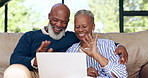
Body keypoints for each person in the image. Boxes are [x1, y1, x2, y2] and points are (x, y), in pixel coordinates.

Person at [3, 3, 128, 78]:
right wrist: (36, 61)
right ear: (49, 17)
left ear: (68, 22)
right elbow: (15, 59)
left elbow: (91, 40)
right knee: (15, 71)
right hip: (33, 73)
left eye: (64, 22)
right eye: (55, 20)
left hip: (56, 76)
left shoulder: (72, 37)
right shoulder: (30, 36)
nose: (58, 25)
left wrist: (120, 46)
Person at [66, 9, 128, 78]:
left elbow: (122, 75)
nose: (80, 30)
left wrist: (96, 55)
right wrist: (82, 73)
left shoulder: (108, 45)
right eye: (77, 27)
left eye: (84, 26)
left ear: (93, 27)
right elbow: (65, 74)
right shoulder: (71, 51)